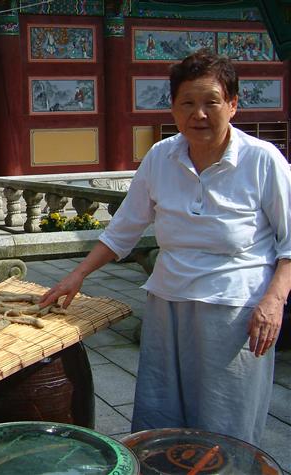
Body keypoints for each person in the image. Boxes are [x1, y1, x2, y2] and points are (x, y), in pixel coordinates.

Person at [39, 50, 291, 445]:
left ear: (233, 105)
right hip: (167, 302)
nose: (199, 114)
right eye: (187, 103)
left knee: (225, 416)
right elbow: (123, 229)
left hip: (233, 308)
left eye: (211, 102)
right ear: (173, 108)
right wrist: (77, 274)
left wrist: (274, 301)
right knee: (163, 410)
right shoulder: (161, 156)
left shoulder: (262, 160)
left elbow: (289, 241)